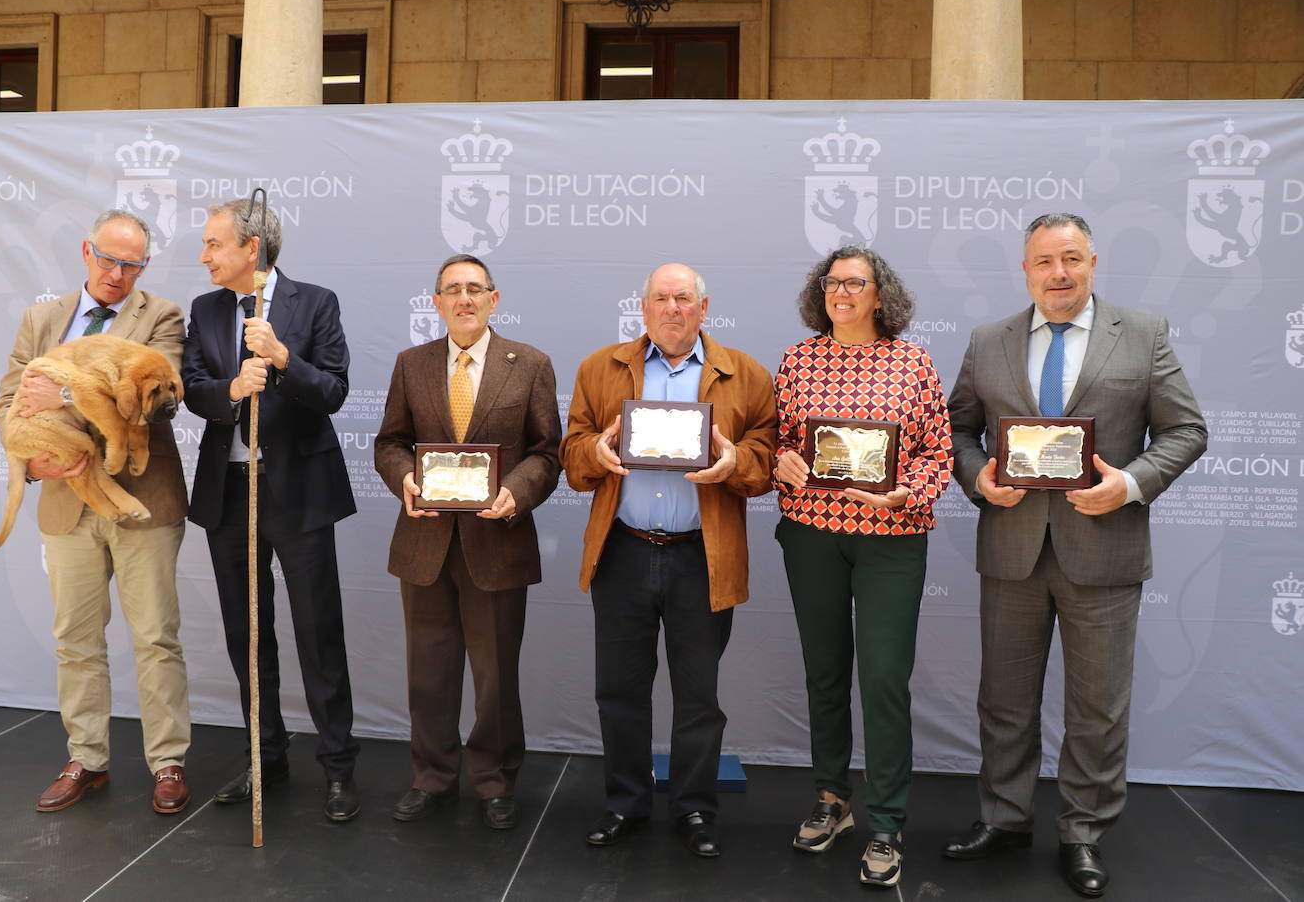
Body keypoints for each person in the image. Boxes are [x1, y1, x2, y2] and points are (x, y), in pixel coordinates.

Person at [942, 213, 1207, 898]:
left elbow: (1186, 429)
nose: (1059, 274)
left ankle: (1083, 832)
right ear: (1025, 271)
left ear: (1092, 262)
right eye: (1044, 262)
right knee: (1004, 701)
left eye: (1071, 259)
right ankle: (1003, 818)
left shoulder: (1143, 334)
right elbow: (957, 429)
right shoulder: (988, 340)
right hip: (1012, 549)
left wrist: (1130, 483)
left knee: (1097, 707)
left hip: (1105, 550)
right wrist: (977, 478)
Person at [560, 263, 776, 858]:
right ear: (644, 307)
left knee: (699, 697)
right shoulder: (600, 368)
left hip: (701, 557)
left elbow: (764, 458)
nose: (673, 308)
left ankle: (696, 809)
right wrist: (596, 453)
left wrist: (737, 463)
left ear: (705, 309)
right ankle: (625, 803)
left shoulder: (747, 375)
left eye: (685, 299)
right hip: (624, 549)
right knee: (619, 692)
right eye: (662, 298)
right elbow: (572, 452)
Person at [0, 209, 192, 815]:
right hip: (64, 498)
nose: (117, 273)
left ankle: (168, 763)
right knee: (75, 639)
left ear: (145, 267)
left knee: (155, 637)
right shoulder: (41, 318)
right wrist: (35, 463)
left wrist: (60, 395)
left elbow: (155, 402)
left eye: (131, 264)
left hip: (143, 498)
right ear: (87, 252)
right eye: (108, 259)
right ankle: (87, 758)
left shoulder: (160, 317)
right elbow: (8, 398)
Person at [772, 246, 952, 886]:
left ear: (882, 294)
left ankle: (886, 821)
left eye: (856, 282)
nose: (841, 291)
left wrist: (911, 490)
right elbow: (779, 445)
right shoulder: (797, 361)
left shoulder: (914, 364)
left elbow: (938, 452)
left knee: (881, 678)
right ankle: (832, 798)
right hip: (812, 534)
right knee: (824, 671)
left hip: (890, 537)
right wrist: (781, 465)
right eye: (832, 282)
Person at [181, 200, 361, 823]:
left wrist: (282, 358)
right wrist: (230, 390)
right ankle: (267, 757)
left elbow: (334, 391)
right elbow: (192, 390)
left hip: (300, 491)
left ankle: (338, 767)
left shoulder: (314, 302)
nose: (203, 256)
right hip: (229, 492)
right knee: (246, 635)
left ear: (250, 249)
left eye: (213, 244)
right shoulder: (204, 310)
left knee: (318, 632)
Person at [374, 254, 561, 831]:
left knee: (496, 676)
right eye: (451, 290)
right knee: (428, 674)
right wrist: (404, 477)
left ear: (494, 299)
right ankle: (431, 777)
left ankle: (494, 781)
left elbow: (547, 452)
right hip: (424, 543)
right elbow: (390, 442)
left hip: (497, 541)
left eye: (474, 289)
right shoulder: (412, 364)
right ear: (436, 302)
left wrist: (515, 492)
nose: (464, 298)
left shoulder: (528, 364)